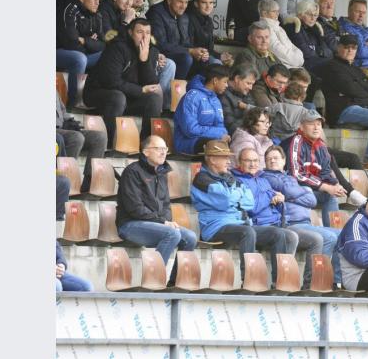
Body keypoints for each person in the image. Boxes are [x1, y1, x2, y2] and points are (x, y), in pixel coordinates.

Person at [191, 140, 297, 281]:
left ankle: (279, 282)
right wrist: (236, 196)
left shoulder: (229, 177)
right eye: (224, 158)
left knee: (278, 233)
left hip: (237, 223)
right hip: (215, 227)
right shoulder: (202, 179)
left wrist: (234, 197)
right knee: (247, 232)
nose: (229, 161)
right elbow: (225, 201)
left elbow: (249, 201)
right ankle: (249, 280)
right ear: (211, 159)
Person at [232, 148, 319, 287]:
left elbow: (275, 204)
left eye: (255, 161)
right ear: (239, 162)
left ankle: (289, 281)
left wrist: (279, 200)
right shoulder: (237, 181)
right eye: (248, 160)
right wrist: (270, 197)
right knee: (285, 235)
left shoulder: (262, 180)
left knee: (299, 237)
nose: (252, 164)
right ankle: (279, 281)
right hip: (256, 225)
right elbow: (252, 207)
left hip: (276, 223)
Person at [116, 135, 197, 285]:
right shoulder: (132, 171)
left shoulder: (162, 173)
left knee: (190, 237)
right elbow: (134, 208)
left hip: (156, 224)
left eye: (165, 149)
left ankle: (174, 282)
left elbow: (166, 204)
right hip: (130, 224)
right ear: (146, 152)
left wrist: (166, 220)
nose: (163, 152)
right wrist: (163, 222)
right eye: (158, 149)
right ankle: (152, 280)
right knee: (172, 233)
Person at [261, 146, 342, 283]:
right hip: (291, 224)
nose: (272, 161)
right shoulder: (267, 177)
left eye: (275, 158)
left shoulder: (291, 178)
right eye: (269, 159)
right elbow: (292, 191)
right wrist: (303, 192)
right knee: (328, 237)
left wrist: (296, 194)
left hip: (305, 223)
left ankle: (336, 282)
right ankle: (314, 281)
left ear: (284, 160)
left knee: (341, 234)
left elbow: (312, 200)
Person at [320, 35, 368, 169]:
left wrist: (360, 86)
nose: (350, 50)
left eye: (354, 48)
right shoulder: (332, 66)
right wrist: (363, 86)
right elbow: (350, 88)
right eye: (347, 47)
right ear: (339, 48)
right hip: (342, 110)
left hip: (361, 107)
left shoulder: (356, 68)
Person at [83, 18, 163, 146]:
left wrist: (144, 60)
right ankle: (108, 143)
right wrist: (140, 90)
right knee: (117, 97)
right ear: (131, 33)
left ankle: (146, 145)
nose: (144, 37)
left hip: (128, 97)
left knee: (154, 99)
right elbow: (111, 82)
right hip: (99, 93)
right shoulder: (117, 48)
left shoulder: (152, 51)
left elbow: (151, 83)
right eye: (140, 32)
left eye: (147, 33)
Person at [282, 110, 344, 226]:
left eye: (319, 124)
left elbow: (326, 171)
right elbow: (297, 174)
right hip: (297, 191)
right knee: (311, 190)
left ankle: (336, 233)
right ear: (301, 126)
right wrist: (324, 186)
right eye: (311, 124)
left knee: (331, 196)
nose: (316, 128)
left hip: (313, 190)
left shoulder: (321, 145)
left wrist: (335, 184)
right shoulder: (296, 141)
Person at [57, 0, 105, 107]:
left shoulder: (97, 14)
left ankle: (96, 98)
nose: (97, 2)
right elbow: (70, 43)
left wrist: (85, 40)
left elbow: (102, 44)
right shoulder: (70, 10)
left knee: (109, 53)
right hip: (60, 51)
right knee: (79, 59)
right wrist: (91, 42)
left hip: (84, 53)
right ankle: (73, 102)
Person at [147, 0, 207, 79]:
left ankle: (195, 91)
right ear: (169, 0)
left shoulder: (184, 16)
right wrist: (189, 51)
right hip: (161, 54)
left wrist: (200, 52)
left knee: (205, 60)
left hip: (180, 52)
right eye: (180, 2)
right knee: (186, 58)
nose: (183, 6)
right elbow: (159, 44)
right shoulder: (156, 12)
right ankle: (175, 91)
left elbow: (186, 43)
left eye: (186, 2)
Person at [173, 64, 230, 155]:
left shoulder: (216, 100)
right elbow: (190, 129)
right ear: (215, 80)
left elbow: (220, 125)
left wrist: (223, 134)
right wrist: (218, 135)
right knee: (215, 147)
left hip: (210, 140)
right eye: (225, 81)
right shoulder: (192, 97)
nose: (227, 85)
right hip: (187, 143)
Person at [56, 92, 107, 191]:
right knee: (76, 137)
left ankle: (89, 182)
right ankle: (67, 179)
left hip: (63, 129)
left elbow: (63, 112)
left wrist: (71, 122)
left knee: (100, 137)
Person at [185, 0, 233, 73]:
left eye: (211, 3)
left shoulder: (209, 21)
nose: (208, 6)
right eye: (204, 3)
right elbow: (188, 46)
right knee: (216, 64)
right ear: (196, 4)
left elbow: (209, 48)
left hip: (205, 58)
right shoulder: (188, 18)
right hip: (192, 59)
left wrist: (220, 56)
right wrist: (213, 57)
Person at [283, 0, 334, 78]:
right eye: (310, 14)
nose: (313, 18)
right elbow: (306, 53)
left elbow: (328, 52)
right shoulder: (293, 26)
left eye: (315, 15)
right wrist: (320, 53)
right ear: (300, 14)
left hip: (317, 62)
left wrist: (320, 53)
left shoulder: (314, 28)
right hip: (303, 65)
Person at [257, 0, 304, 68]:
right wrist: (296, 60)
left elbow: (291, 45)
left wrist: (299, 57)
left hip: (293, 63)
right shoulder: (264, 28)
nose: (277, 14)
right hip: (281, 66)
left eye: (278, 11)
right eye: (274, 11)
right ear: (264, 13)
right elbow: (276, 49)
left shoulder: (279, 27)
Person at [219, 64, 259, 135]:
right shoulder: (223, 94)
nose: (251, 88)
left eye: (252, 84)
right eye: (248, 83)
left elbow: (256, 113)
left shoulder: (245, 92)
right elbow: (230, 126)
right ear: (237, 79)